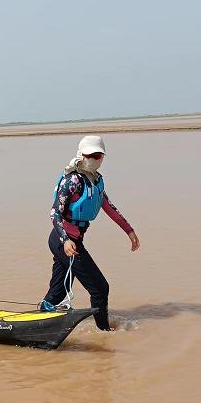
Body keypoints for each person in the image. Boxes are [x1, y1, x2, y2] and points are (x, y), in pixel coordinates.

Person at [39, 135, 140, 331]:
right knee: (100, 288)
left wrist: (129, 231)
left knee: (60, 290)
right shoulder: (72, 181)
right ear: (81, 155)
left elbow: (109, 206)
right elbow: (55, 213)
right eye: (90, 154)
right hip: (63, 242)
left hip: (74, 241)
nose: (94, 158)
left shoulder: (95, 181)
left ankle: (43, 319)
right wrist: (66, 240)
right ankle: (104, 331)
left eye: (98, 155)